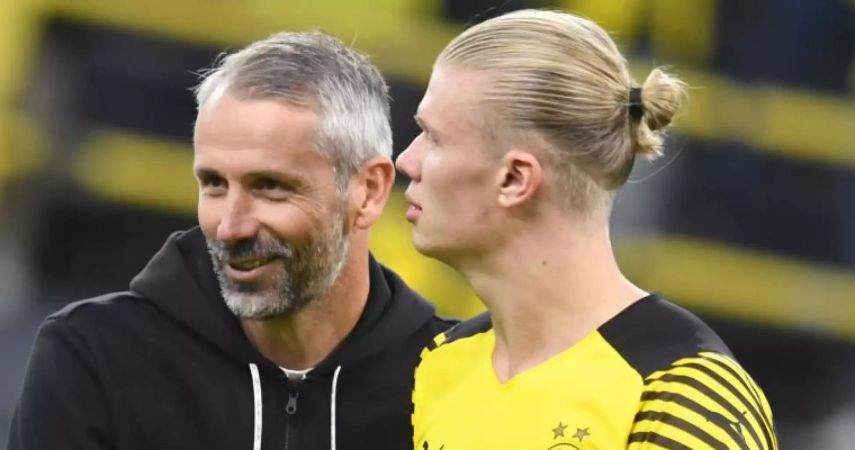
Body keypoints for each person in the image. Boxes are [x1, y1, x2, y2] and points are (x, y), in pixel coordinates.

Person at [8, 31, 454, 450]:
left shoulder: (461, 376)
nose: (230, 226)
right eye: (215, 184)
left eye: (269, 186)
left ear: (369, 190)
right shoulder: (93, 357)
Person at [398, 9, 778, 450]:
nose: (405, 160)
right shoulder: (439, 362)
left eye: (434, 138)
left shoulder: (683, 393)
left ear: (515, 179)